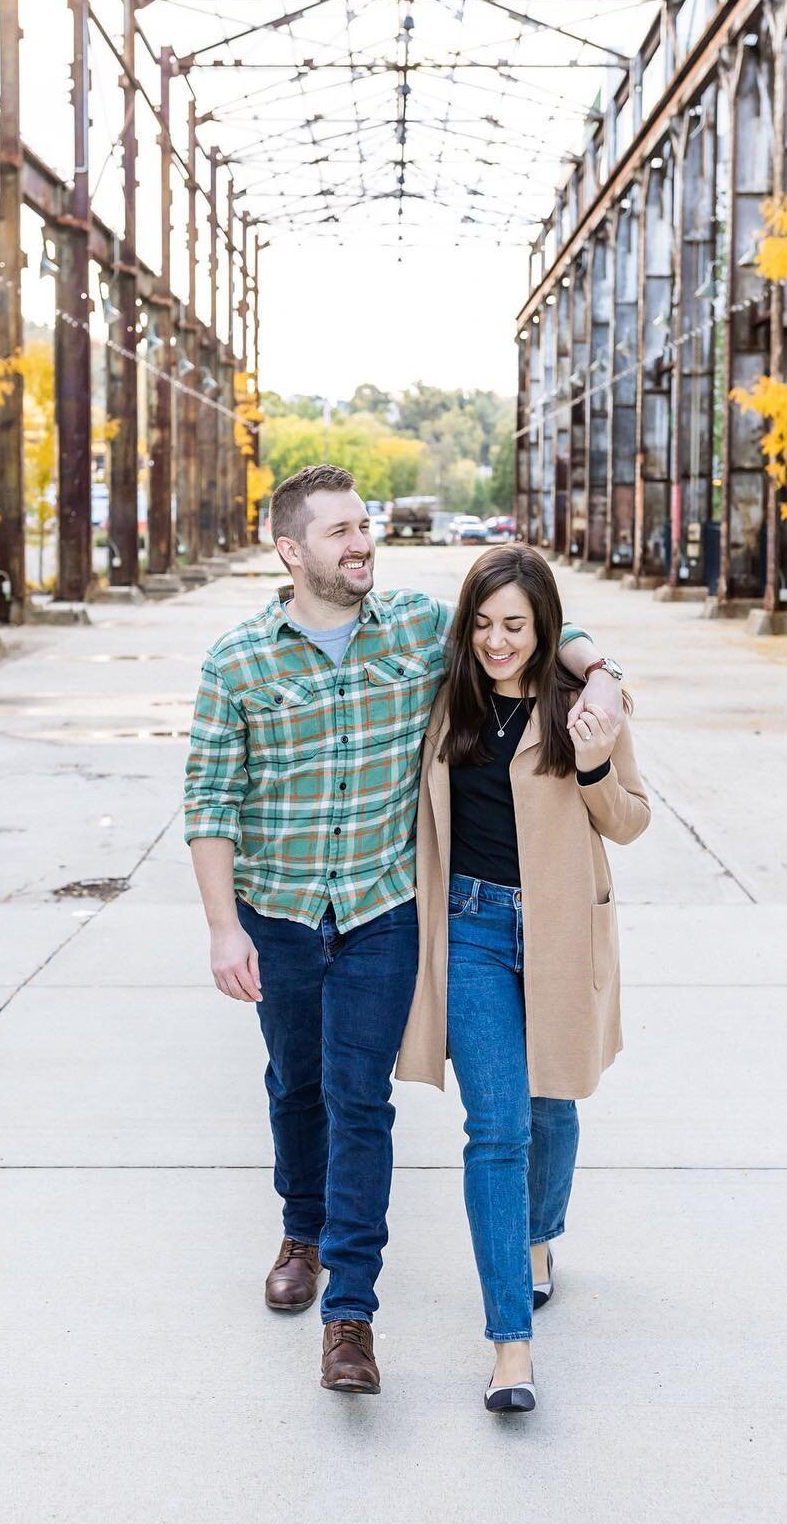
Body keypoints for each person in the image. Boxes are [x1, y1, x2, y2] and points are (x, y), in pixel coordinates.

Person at [183, 464, 628, 1397]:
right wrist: (224, 928)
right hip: (288, 908)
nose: (361, 544)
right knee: (297, 1085)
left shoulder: (419, 629)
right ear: (290, 548)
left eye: (364, 527)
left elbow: (529, 611)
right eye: (340, 532)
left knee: (370, 1102)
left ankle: (353, 1312)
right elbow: (210, 800)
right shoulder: (239, 662)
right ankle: (303, 1232)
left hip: (387, 912)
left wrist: (603, 672)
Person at [395, 544, 649, 1413]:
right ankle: (510, 1345)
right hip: (467, 929)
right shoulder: (443, 697)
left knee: (553, 1104)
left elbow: (630, 823)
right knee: (494, 1129)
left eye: (516, 626)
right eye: (484, 624)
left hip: (557, 932)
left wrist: (595, 758)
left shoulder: (584, 707)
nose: (497, 642)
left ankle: (541, 1237)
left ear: (544, 630)